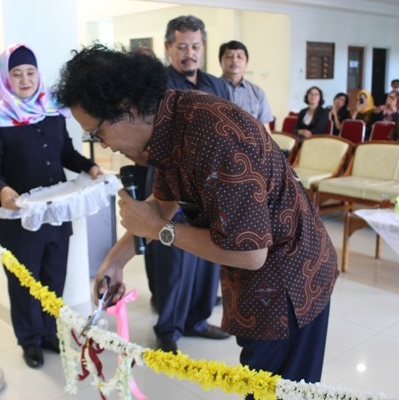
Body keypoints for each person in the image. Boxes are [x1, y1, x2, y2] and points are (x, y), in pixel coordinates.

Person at [53, 44, 339, 395]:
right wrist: (115, 260)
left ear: (127, 110)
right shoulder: (170, 120)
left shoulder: (214, 137)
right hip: (259, 285)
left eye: (97, 134)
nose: (104, 146)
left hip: (290, 286)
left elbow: (250, 254)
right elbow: (164, 204)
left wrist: (159, 230)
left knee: (280, 391)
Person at [0, 44, 102, 369]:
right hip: (21, 217)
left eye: (30, 72)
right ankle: (29, 340)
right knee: (24, 282)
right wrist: (2, 190)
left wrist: (90, 167)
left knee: (53, 276)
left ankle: (48, 333)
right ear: (5, 78)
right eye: (17, 74)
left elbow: (66, 153)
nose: (25, 80)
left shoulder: (51, 110)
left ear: (38, 74)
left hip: (56, 213)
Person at [134, 15, 231, 354]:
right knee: (174, 258)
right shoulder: (157, 85)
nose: (189, 53)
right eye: (182, 47)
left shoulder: (217, 85)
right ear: (168, 47)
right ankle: (169, 329)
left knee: (208, 256)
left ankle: (197, 320)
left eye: (195, 46)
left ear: (203, 47)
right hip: (171, 183)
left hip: (211, 185)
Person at [218, 40, 273, 133]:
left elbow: (265, 129)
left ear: (246, 63)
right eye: (229, 56)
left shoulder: (257, 92)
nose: (235, 60)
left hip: (251, 142)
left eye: (239, 56)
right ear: (220, 61)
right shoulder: (210, 89)